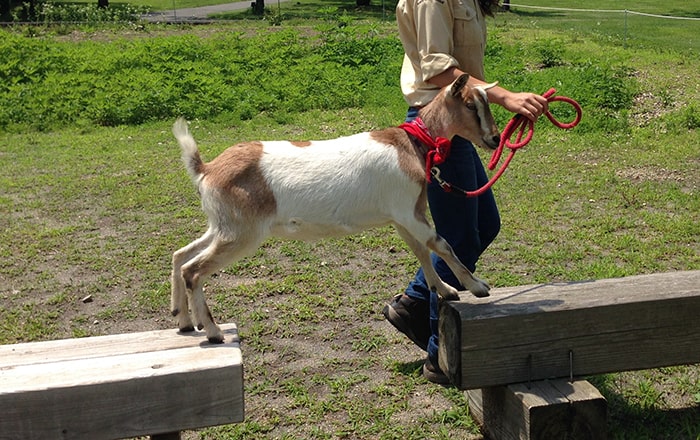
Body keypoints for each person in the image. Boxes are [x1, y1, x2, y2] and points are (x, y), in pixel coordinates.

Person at [383, 0, 548, 384]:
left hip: (456, 122)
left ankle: (414, 303)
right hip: (437, 125)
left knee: (485, 224)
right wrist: (505, 96)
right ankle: (440, 356)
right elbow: (438, 69)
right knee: (459, 237)